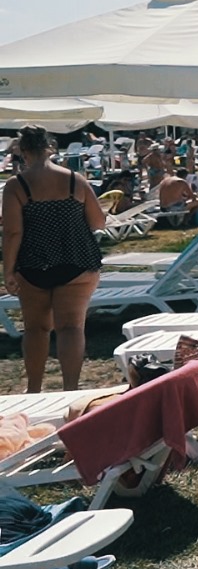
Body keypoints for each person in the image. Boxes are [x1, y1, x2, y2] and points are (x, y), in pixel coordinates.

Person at [2, 127, 106, 392]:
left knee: (36, 330)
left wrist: (8, 270)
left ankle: (34, 390)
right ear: (50, 148)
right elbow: (98, 221)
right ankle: (70, 389)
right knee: (71, 328)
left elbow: (13, 232)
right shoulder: (75, 180)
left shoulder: (16, 185)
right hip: (77, 260)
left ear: (23, 151)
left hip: (33, 263)